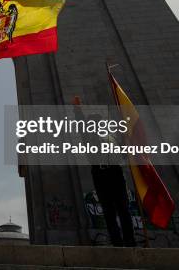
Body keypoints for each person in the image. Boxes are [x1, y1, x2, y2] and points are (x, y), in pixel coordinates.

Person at [73, 96, 136, 247]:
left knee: (123, 208)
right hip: (99, 173)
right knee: (108, 210)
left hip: (115, 172)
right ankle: (117, 242)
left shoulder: (112, 137)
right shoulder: (88, 137)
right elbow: (81, 123)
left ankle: (130, 241)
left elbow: (123, 153)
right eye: (93, 123)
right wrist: (77, 110)